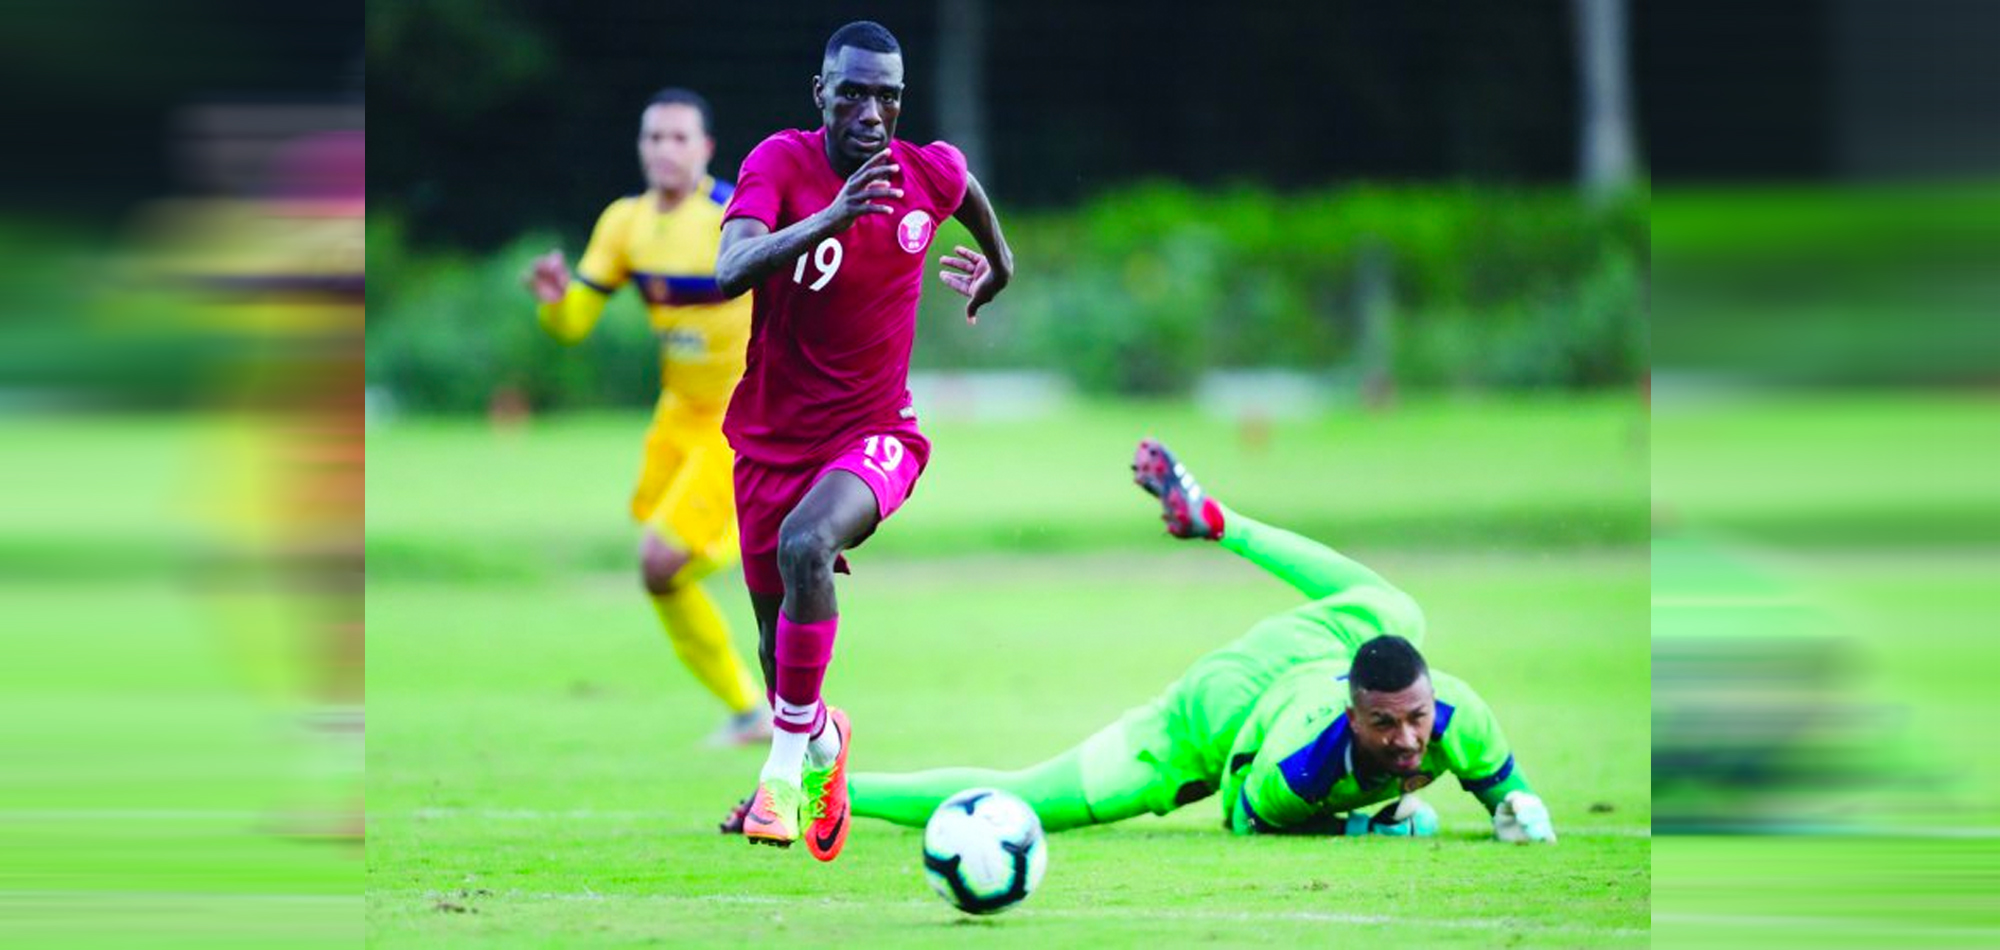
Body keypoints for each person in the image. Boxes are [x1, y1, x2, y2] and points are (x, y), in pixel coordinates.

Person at [845, 439, 1558, 842]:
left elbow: (1512, 797)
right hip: (1201, 726)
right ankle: (836, 790)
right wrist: (1371, 832)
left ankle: (1222, 521)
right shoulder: (1301, 768)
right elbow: (1244, 813)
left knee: (1396, 610)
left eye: (1416, 720)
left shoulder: (1457, 715)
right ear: (1353, 715)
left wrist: (1519, 809)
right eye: (1386, 725)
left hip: (1304, 661)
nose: (1408, 739)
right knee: (1026, 802)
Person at [711, 20, 1015, 860]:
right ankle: (821, 748)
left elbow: (970, 191)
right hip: (769, 442)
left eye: (888, 96)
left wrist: (1001, 264)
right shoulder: (780, 163)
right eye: (854, 92)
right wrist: (834, 217)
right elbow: (730, 269)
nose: (873, 112)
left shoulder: (929, 171)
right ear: (822, 95)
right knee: (778, 651)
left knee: (807, 546)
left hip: (876, 434)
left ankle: (779, 777)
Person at [522, 88, 768, 747]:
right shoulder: (623, 222)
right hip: (677, 416)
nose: (664, 149)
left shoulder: (734, 215)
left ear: (706, 149)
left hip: (738, 416)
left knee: (660, 562)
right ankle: (749, 711)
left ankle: (771, 540)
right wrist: (553, 301)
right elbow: (573, 323)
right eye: (653, 137)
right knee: (660, 575)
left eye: (679, 137)